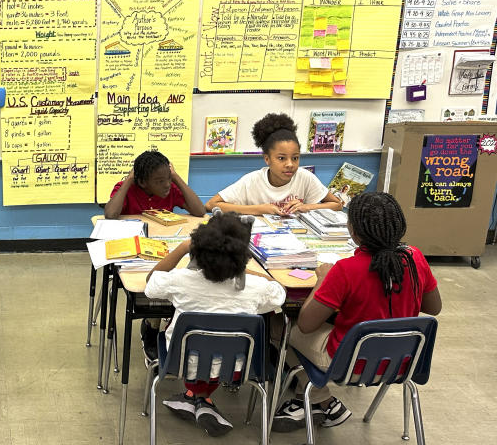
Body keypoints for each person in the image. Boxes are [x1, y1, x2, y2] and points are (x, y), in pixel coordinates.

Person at [272, 192, 442, 432]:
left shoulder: (345, 270)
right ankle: (307, 399)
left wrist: (322, 279)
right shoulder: (415, 258)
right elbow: (434, 308)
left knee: (279, 324)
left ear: (352, 231)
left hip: (349, 363)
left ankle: (320, 398)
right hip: (402, 361)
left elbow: (306, 324)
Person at [145, 212, 285, 437]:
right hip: (238, 367)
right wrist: (241, 268)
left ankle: (195, 398)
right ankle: (200, 399)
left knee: (184, 337)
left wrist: (182, 248)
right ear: (244, 255)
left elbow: (151, 284)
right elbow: (279, 294)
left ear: (197, 252)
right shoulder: (256, 287)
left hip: (180, 363)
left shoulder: (180, 280)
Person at [206, 113, 342, 215]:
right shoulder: (252, 180)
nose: (290, 164)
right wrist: (259, 209)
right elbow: (211, 204)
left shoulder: (305, 177)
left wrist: (306, 207)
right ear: (267, 159)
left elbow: (337, 205)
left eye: (295, 158)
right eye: (282, 158)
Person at [104, 150, 206, 219]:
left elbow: (200, 211)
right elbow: (110, 214)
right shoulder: (125, 188)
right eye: (160, 181)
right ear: (142, 182)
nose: (167, 185)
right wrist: (129, 179)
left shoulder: (171, 189)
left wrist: (175, 176)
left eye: (169, 178)